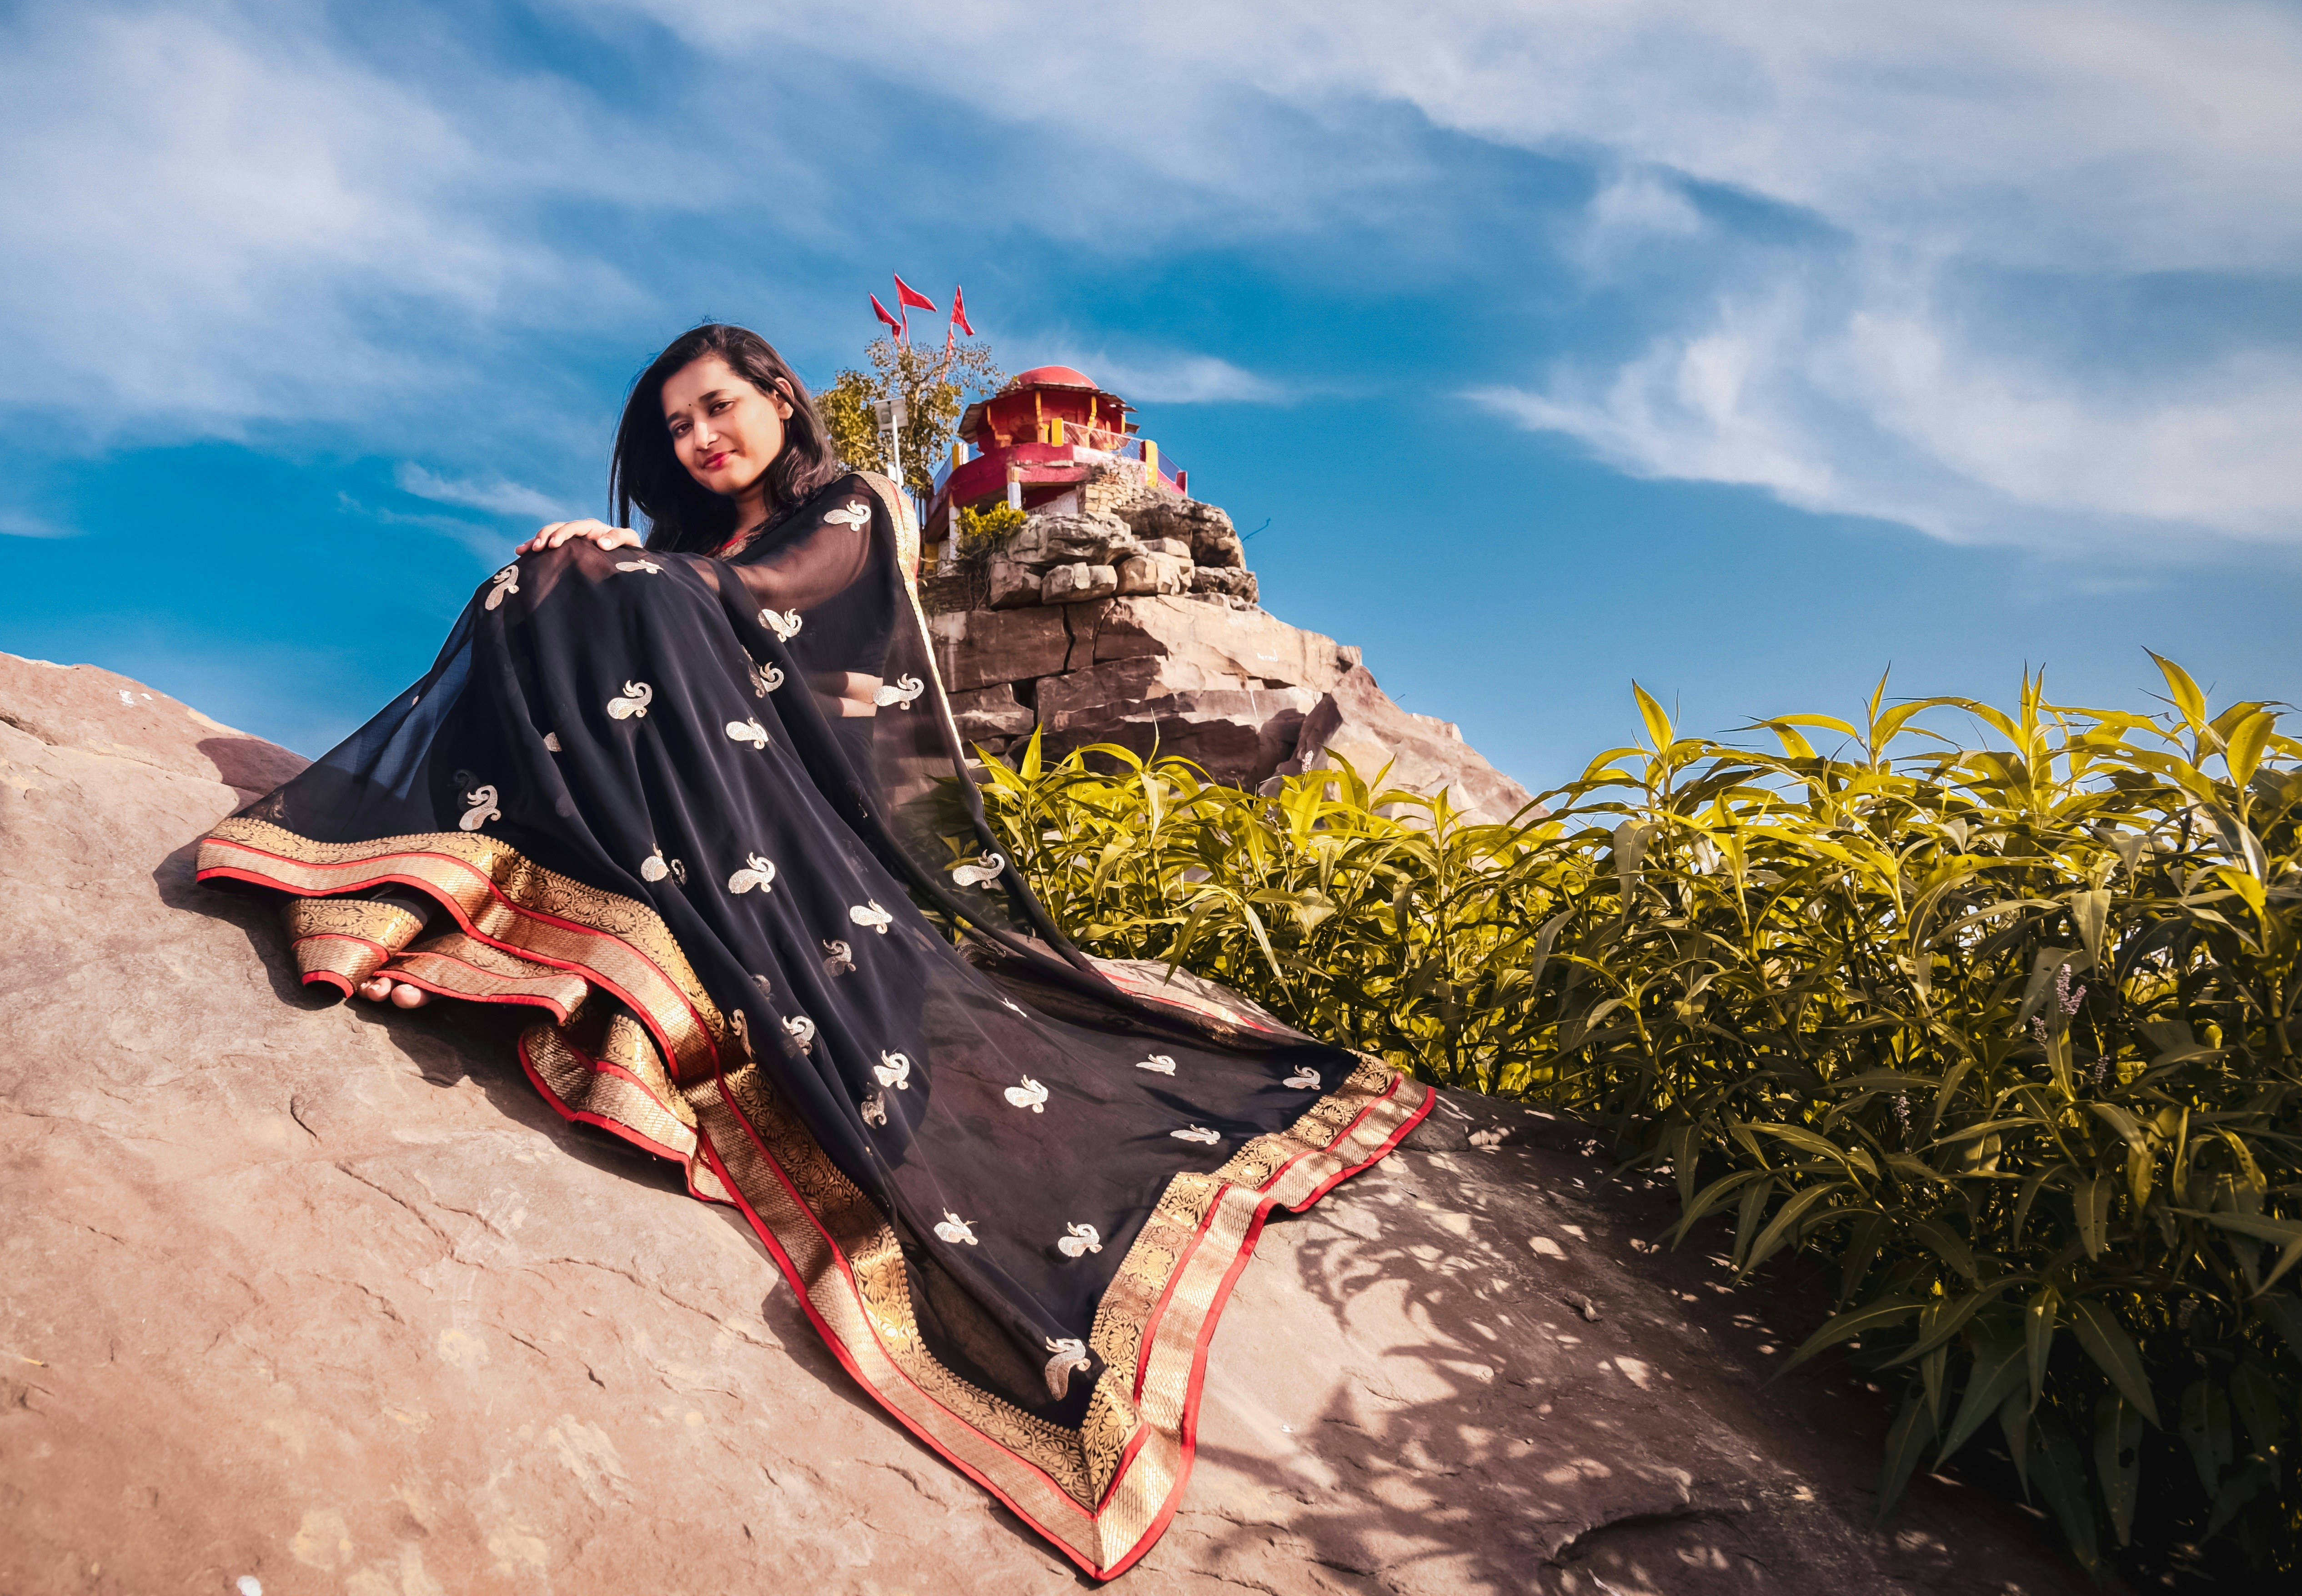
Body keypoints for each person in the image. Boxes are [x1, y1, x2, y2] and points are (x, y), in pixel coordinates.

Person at [196, 323, 1433, 1578]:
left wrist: (634, 574)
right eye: (677, 427)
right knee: (536, 583)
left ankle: (593, 914)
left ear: (783, 400)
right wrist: (601, 559)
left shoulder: (854, 504)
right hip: (689, 802)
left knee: (613, 585)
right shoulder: (679, 552)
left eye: (719, 407)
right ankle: (506, 900)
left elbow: (777, 600)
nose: (701, 438)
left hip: (789, 821)